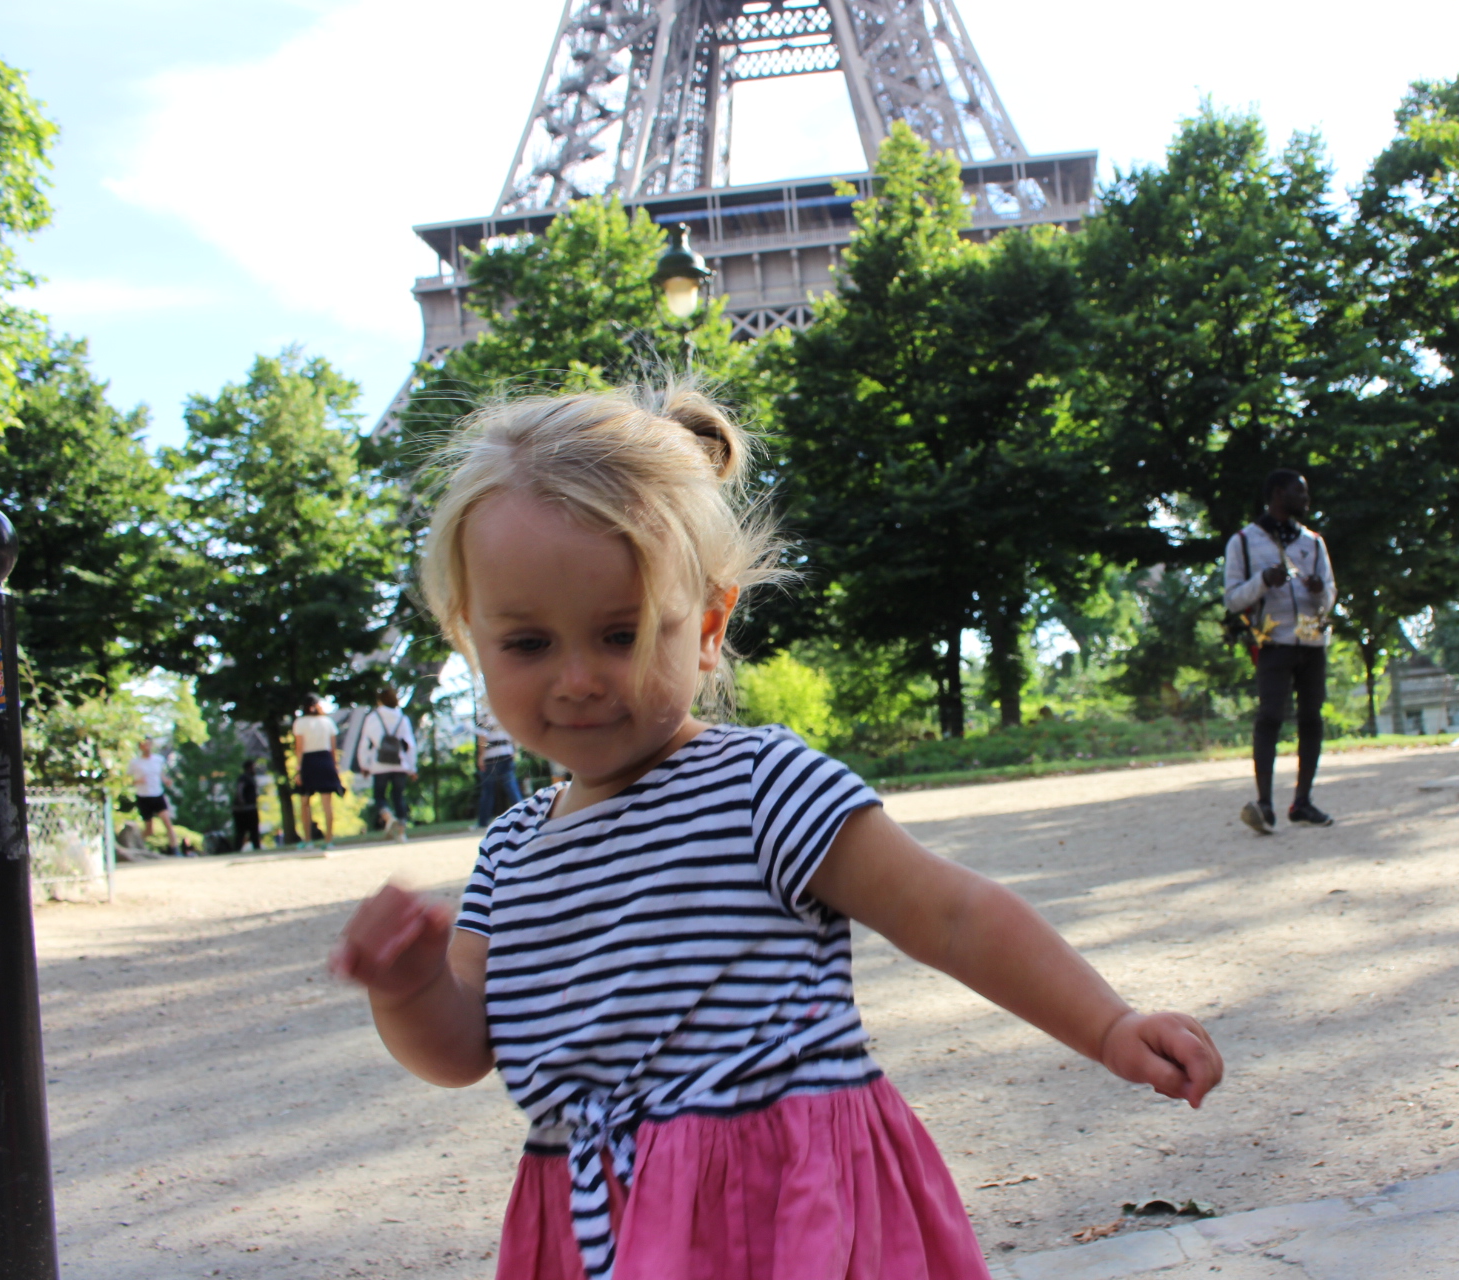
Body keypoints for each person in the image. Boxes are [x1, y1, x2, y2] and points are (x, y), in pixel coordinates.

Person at [330, 385, 1224, 1280]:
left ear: (709, 627)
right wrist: (407, 988)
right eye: (527, 644)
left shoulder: (760, 786)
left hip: (783, 1204)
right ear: (469, 639)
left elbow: (949, 913)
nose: (577, 679)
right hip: (598, 1218)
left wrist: (1108, 1026)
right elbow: (463, 1052)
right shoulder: (511, 855)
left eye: (621, 633)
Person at [1223, 467, 1337, 834]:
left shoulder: (1314, 543)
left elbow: (1331, 594)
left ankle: (1302, 802)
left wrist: (1321, 590)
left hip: (1312, 642)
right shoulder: (1243, 541)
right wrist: (1262, 582)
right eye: (1299, 493)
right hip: (1273, 643)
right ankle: (1265, 804)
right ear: (1276, 494)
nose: (1305, 499)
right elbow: (1232, 598)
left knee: (1311, 719)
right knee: (1270, 717)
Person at [356, 686, 419, 841]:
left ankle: (388, 816)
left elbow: (365, 743)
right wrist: (412, 767)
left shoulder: (373, 717)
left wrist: (364, 765)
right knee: (399, 797)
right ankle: (402, 832)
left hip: (380, 764)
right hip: (400, 763)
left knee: (379, 796)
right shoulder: (402, 718)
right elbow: (409, 745)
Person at [292, 694, 346, 851]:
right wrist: (335, 767)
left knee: (305, 802)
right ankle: (329, 840)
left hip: (309, 761)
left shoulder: (300, 723)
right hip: (325, 760)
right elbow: (333, 748)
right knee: (327, 803)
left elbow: (299, 748)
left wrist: (298, 770)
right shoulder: (327, 722)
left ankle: (308, 840)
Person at [474, 698, 522, 828]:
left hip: (491, 758)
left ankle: (482, 822)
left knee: (488, 792)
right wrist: (514, 750)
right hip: (507, 754)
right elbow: (513, 734)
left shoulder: (484, 713)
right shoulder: (504, 711)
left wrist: (481, 756)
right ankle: (524, 817)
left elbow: (483, 736)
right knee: (512, 788)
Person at [128, 738, 179, 855]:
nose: (146, 747)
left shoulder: (158, 760)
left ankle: (175, 849)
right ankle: (137, 846)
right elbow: (127, 780)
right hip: (143, 796)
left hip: (157, 794)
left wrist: (166, 780)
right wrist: (137, 781)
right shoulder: (135, 763)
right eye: (144, 745)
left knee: (167, 822)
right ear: (140, 747)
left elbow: (160, 774)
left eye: (148, 744)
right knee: (149, 829)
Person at [232, 758, 265, 852]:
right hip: (246, 809)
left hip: (247, 808)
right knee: (245, 831)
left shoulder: (248, 778)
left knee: (248, 831)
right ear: (249, 768)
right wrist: (241, 801)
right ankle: (240, 848)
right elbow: (240, 790)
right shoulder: (244, 778)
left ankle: (255, 847)